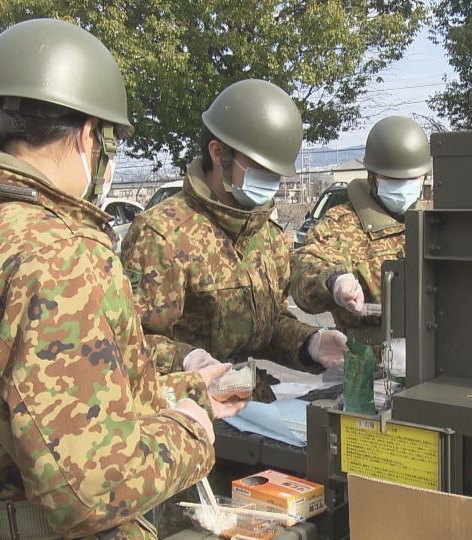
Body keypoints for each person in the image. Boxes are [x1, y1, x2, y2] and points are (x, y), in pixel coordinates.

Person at [0, 19, 243, 540]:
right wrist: (191, 434)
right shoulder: (61, 255)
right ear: (88, 134)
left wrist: (191, 389)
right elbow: (90, 491)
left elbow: (43, 402)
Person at [121, 79, 347, 388]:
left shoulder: (266, 235)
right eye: (260, 169)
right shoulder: (161, 234)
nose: (270, 182)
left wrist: (310, 343)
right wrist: (186, 359)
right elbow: (128, 340)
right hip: (185, 414)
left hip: (250, 405)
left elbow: (268, 327)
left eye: (275, 174)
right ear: (218, 153)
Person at [290, 116, 431, 345]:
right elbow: (305, 269)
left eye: (411, 178)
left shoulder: (436, 218)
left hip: (435, 357)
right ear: (373, 176)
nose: (403, 186)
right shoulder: (342, 224)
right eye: (392, 178)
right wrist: (335, 280)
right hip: (367, 365)